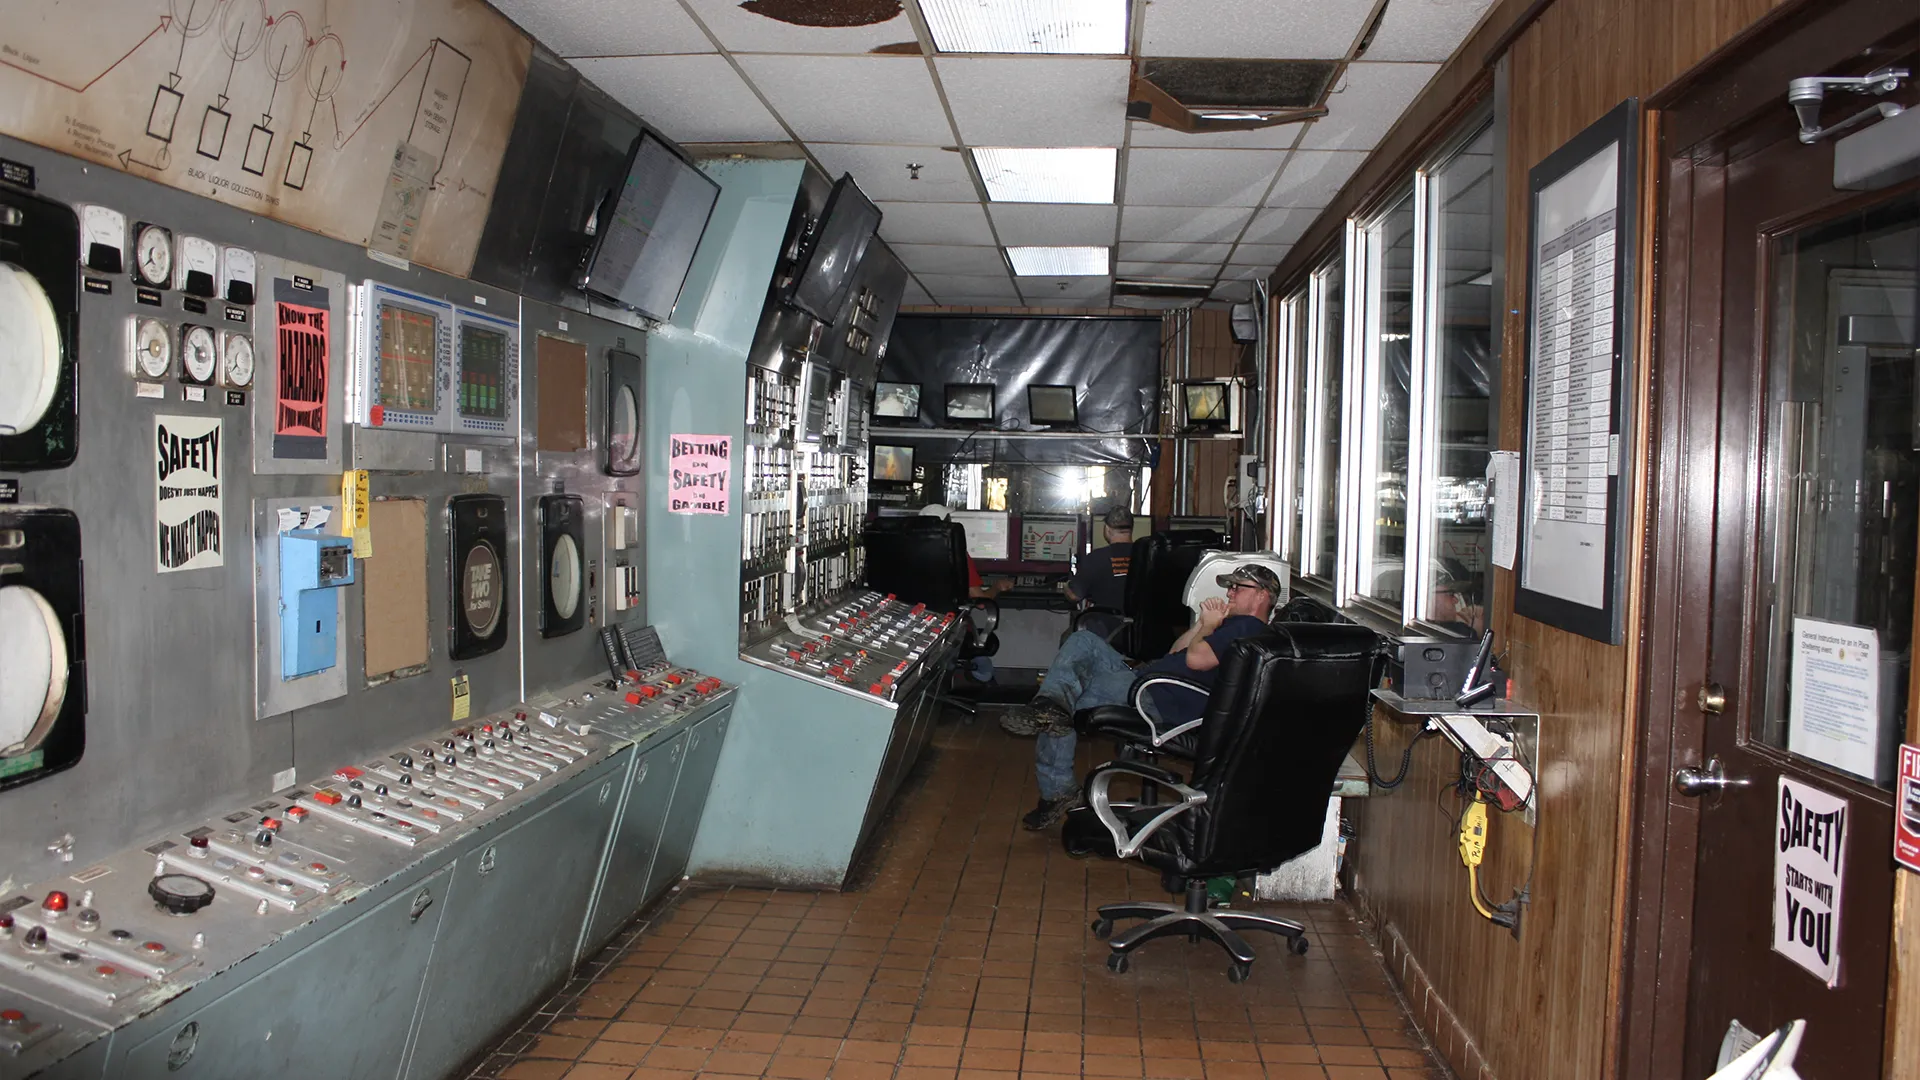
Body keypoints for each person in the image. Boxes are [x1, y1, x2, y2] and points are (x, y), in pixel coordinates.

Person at [1001, 563, 1284, 829]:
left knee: (1063, 702)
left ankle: (1057, 788)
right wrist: (1201, 625)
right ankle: (1050, 713)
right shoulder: (1234, 627)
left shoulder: (1249, 628)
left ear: (1262, 595)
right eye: (1229, 587)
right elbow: (1176, 652)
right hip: (1148, 681)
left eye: (1238, 587)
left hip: (1156, 697)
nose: (1229, 592)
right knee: (1081, 644)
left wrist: (1210, 628)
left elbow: (1197, 661)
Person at [1065, 506, 1134, 640]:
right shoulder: (1147, 556)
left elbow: (1074, 596)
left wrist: (1067, 585)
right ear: (1131, 529)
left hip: (1105, 632)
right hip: (1141, 633)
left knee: (1067, 638)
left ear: (1107, 529)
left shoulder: (1096, 558)